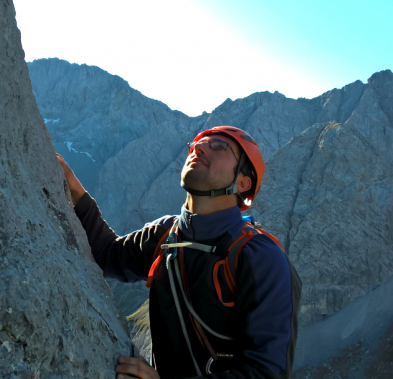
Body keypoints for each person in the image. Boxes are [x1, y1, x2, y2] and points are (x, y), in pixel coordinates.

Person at [57, 126, 301, 379]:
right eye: (195, 145)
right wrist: (76, 192)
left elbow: (267, 372)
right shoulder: (164, 234)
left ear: (242, 182)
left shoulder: (260, 257)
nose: (200, 148)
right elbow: (109, 256)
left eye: (218, 147)